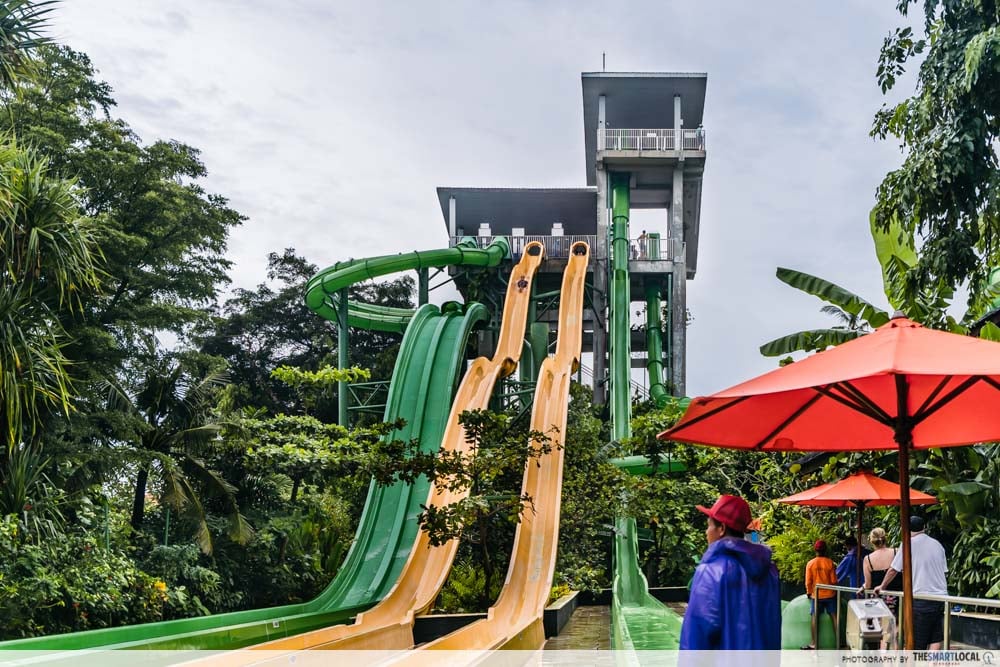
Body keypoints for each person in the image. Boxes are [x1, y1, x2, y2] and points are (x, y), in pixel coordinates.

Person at [680, 495, 781, 650]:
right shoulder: (770, 571)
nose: (706, 532)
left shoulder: (711, 572)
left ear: (721, 528)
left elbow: (695, 638)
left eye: (709, 526)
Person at [874, 516, 948, 650]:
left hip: (921, 598)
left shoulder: (908, 544)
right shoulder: (937, 545)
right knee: (935, 638)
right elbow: (943, 571)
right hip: (941, 598)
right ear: (924, 527)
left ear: (906, 529)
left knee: (916, 642)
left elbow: (893, 569)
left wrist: (882, 586)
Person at [804, 539, 839, 650]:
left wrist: (809, 592)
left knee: (814, 617)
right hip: (830, 594)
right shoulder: (830, 563)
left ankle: (814, 643)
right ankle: (839, 642)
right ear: (825, 550)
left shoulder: (810, 563)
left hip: (816, 595)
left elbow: (808, 581)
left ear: (815, 550)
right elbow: (833, 581)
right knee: (834, 616)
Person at [863, 528, 899, 610]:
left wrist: (863, 586)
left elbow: (868, 584)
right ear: (885, 538)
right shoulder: (896, 552)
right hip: (898, 598)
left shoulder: (868, 559)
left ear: (872, 541)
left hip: (877, 600)